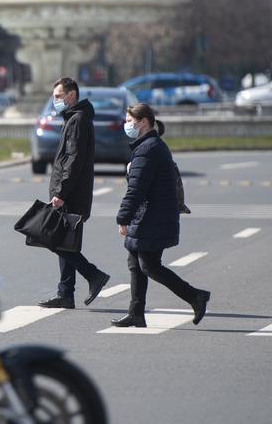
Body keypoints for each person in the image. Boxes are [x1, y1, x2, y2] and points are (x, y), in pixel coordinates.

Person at [112, 103, 211, 328]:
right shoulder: (149, 146)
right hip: (150, 215)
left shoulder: (148, 149)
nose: (126, 125)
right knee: (135, 263)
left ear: (143, 122)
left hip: (152, 216)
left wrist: (123, 217)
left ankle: (196, 296)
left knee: (149, 265)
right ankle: (136, 313)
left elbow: (137, 189)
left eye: (129, 121)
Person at [38, 77, 111, 309]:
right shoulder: (75, 118)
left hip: (70, 194)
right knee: (64, 242)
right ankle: (65, 293)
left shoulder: (77, 119)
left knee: (55, 239)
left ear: (71, 96)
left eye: (58, 96)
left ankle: (93, 275)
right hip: (71, 192)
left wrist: (61, 192)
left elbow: (74, 159)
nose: (55, 100)